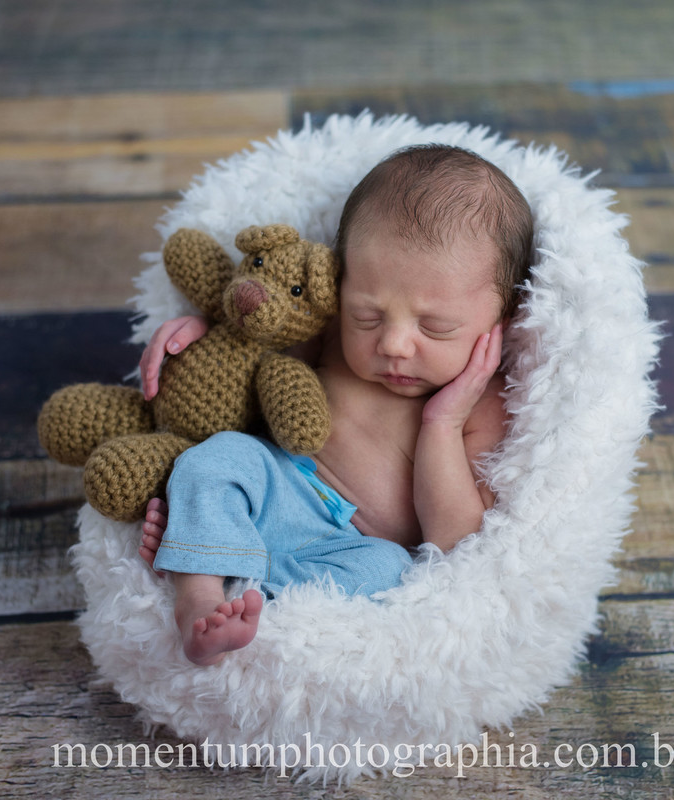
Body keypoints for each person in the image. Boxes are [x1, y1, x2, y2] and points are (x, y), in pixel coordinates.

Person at [137, 144, 534, 665]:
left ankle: (236, 583)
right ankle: (199, 601)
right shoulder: (328, 333)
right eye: (367, 316)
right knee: (216, 458)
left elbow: (454, 540)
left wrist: (442, 422)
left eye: (434, 327)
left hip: (347, 548)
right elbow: (252, 357)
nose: (393, 344)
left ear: (505, 317)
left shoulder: (484, 406)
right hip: (276, 481)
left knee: (388, 571)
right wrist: (204, 335)